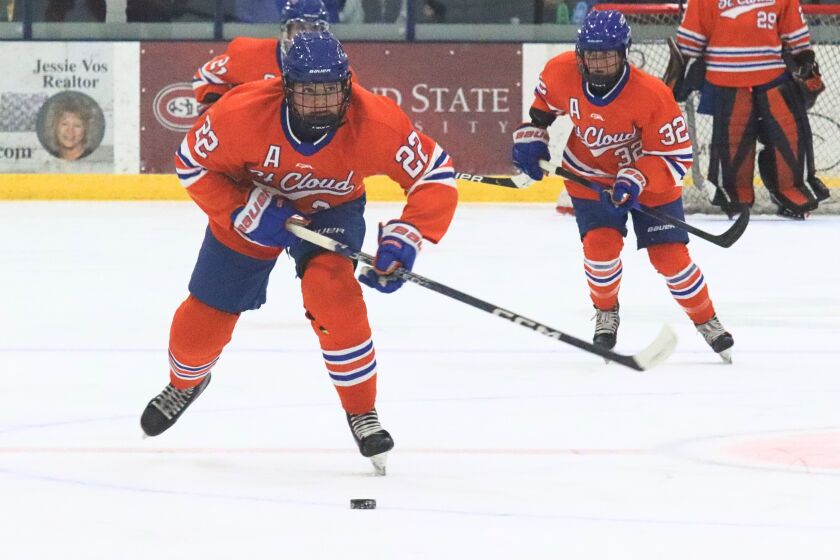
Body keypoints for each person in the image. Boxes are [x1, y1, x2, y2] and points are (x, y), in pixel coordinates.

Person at [140, 31, 458, 474]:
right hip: (252, 205)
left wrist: (407, 235)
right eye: (309, 91)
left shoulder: (375, 121)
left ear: (347, 84)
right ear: (286, 87)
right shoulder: (241, 112)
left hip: (332, 209)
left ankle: (362, 411)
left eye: (331, 90)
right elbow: (191, 163)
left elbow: (434, 174)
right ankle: (184, 383)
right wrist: (241, 209)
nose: (322, 103)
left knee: (333, 293)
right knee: (202, 324)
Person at [512, 10, 734, 362]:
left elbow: (675, 157)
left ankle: (707, 320)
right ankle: (606, 313)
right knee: (600, 248)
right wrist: (532, 138)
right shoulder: (560, 71)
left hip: (650, 181)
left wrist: (637, 177)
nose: (599, 65)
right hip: (589, 175)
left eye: (608, 56)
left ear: (625, 53)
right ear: (580, 53)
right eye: (592, 55)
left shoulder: (652, 95)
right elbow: (543, 111)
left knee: (671, 258)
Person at [673, 0, 828, 219]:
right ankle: (740, 196)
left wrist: (804, 58)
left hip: (764, 78)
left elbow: (794, 32)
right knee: (738, 144)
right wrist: (682, 66)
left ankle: (782, 193)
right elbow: (690, 41)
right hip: (732, 80)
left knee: (786, 138)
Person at [192, 0, 330, 105]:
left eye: (315, 28)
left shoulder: (335, 65)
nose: (307, 36)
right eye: (300, 28)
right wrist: (221, 114)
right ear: (286, 31)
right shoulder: (250, 53)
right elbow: (204, 78)